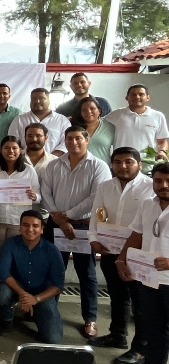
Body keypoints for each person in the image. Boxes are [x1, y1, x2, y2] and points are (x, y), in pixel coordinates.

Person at [41, 125, 112, 338]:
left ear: (87, 140)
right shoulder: (54, 165)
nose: (73, 143)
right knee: (54, 270)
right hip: (56, 224)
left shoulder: (98, 166)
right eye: (69, 138)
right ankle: (48, 312)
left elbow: (95, 198)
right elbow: (46, 192)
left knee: (87, 274)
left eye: (78, 138)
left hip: (82, 226)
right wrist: (58, 218)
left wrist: (68, 216)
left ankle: (90, 318)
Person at [88, 147, 152, 363]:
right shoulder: (105, 186)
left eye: (128, 162)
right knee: (117, 297)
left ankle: (140, 348)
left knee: (141, 304)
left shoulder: (151, 188)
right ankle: (118, 336)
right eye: (117, 162)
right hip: (109, 251)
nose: (122, 166)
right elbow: (96, 213)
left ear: (139, 164)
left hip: (139, 256)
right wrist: (93, 239)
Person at [117, 163, 169, 364]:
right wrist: (122, 259)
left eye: (167, 181)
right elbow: (136, 234)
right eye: (158, 181)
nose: (163, 185)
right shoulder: (148, 204)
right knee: (153, 331)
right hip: (148, 280)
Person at [0, 210, 65, 344]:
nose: (30, 229)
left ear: (42, 229)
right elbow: (3, 272)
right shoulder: (10, 244)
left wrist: (35, 299)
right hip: (17, 288)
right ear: (20, 227)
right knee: (1, 291)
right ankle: (7, 319)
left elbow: (58, 285)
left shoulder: (52, 250)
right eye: (25, 225)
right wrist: (23, 295)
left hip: (41, 294)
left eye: (35, 226)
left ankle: (35, 313)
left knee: (53, 339)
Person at [0, 136, 41, 258]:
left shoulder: (29, 170)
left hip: (19, 220)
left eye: (14, 148)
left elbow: (39, 197)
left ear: (21, 150)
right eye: (6, 148)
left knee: (15, 253)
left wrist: (34, 196)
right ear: (0, 150)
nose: (10, 151)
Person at [106, 84, 169, 163]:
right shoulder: (116, 115)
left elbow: (162, 141)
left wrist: (162, 151)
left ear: (148, 97)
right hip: (122, 164)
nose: (137, 97)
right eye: (133, 94)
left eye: (141, 94)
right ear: (126, 97)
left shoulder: (158, 116)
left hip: (148, 164)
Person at [8, 88, 70, 156]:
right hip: (24, 162)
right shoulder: (19, 120)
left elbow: (66, 142)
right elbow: (12, 141)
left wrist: (50, 159)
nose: (37, 101)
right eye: (34, 99)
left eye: (42, 98)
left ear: (49, 101)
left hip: (54, 162)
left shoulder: (62, 120)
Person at [74, 97, 116, 166]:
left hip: (104, 170)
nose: (88, 112)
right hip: (79, 169)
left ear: (99, 111)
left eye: (92, 108)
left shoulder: (110, 127)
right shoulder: (74, 127)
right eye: (84, 110)